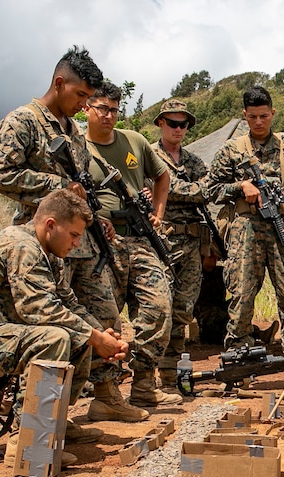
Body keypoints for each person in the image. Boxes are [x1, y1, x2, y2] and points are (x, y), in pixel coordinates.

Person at [0, 46, 142, 423]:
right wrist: (56, 185)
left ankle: (106, 395)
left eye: (90, 99)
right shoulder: (22, 121)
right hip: (43, 243)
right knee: (50, 326)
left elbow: (80, 190)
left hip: (82, 243)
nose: (83, 106)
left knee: (104, 317)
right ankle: (38, 420)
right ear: (59, 83)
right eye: (81, 96)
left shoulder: (72, 130)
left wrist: (94, 217)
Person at [0, 190, 129, 466]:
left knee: (76, 336)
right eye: (73, 234)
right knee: (55, 338)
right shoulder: (23, 246)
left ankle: (53, 423)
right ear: (50, 225)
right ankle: (27, 442)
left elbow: (70, 306)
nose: (77, 242)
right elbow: (38, 309)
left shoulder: (49, 254)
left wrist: (103, 337)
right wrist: (95, 337)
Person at [200, 85, 284, 394]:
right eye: (252, 117)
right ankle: (237, 365)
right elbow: (210, 189)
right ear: (244, 116)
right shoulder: (232, 149)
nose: (258, 122)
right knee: (241, 299)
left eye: (264, 116)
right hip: (245, 231)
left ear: (273, 114)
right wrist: (241, 186)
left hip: (283, 229)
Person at [84, 82, 180, 411]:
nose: (108, 115)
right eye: (101, 108)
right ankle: (106, 394)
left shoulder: (134, 141)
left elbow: (162, 176)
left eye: (113, 109)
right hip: (99, 242)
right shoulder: (76, 147)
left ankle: (142, 383)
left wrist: (159, 213)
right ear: (87, 108)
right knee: (104, 316)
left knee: (159, 307)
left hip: (139, 237)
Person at [149, 98, 217, 385]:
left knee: (182, 308)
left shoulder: (193, 160)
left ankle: (169, 373)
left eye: (184, 124)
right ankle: (145, 374)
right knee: (157, 307)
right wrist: (188, 190)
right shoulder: (148, 156)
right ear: (161, 123)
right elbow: (154, 188)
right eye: (174, 123)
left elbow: (210, 190)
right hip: (160, 240)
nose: (179, 129)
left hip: (190, 242)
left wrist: (175, 189)